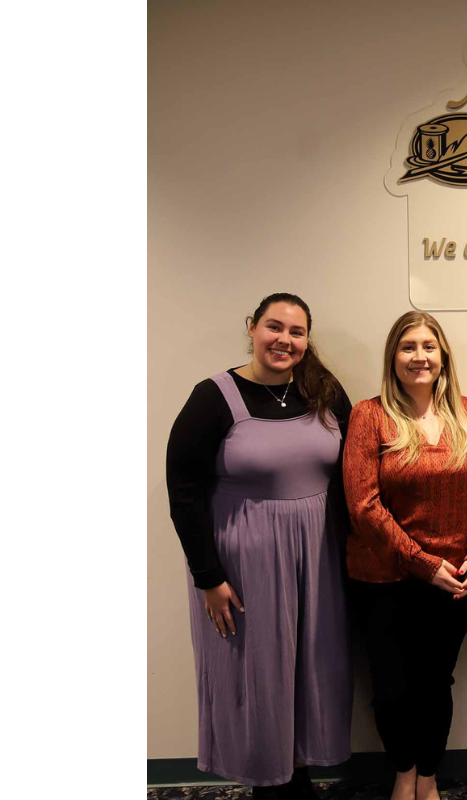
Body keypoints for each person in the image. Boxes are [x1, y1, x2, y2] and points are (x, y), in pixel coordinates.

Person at [166, 292, 353, 800]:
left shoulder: (324, 391)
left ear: (307, 340)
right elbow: (183, 492)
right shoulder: (213, 397)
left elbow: (352, 473)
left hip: (318, 558)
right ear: (252, 327)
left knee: (312, 665)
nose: (284, 340)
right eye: (274, 327)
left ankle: (301, 777)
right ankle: (269, 786)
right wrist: (208, 577)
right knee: (260, 672)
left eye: (296, 332)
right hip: (245, 564)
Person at [342, 311, 467, 800]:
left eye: (428, 346)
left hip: (456, 580)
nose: (419, 356)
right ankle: (403, 773)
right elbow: (363, 504)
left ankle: (428, 779)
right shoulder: (370, 415)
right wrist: (423, 564)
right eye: (408, 346)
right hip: (384, 581)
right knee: (391, 690)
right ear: (393, 356)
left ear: (443, 354)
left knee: (436, 685)